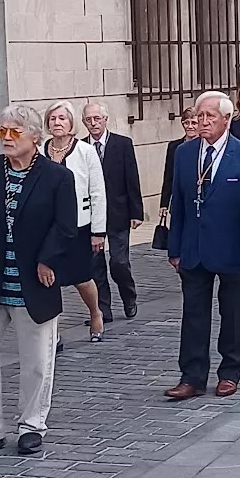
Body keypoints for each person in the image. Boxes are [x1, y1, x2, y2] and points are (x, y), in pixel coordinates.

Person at [0, 105, 78, 459]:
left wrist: (46, 259)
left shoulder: (57, 177)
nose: (7, 139)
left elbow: (65, 225)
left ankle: (31, 425)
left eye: (15, 133)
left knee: (37, 360)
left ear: (35, 138)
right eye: (2, 132)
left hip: (35, 281)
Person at [164, 91, 240, 399]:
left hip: (233, 250)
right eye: (199, 115)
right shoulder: (185, 154)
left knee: (233, 313)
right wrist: (175, 248)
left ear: (226, 119)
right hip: (194, 248)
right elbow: (178, 204)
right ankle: (192, 376)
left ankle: (230, 371)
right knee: (193, 314)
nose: (203, 121)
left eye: (210, 116)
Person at [41, 101, 107, 341]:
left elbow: (98, 191)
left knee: (81, 277)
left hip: (78, 225)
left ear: (71, 124)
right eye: (52, 119)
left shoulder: (85, 151)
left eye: (62, 119)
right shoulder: (39, 149)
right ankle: (53, 333)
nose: (57, 123)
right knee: (48, 279)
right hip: (47, 227)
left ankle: (95, 313)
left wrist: (98, 231)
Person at [83, 102, 144, 322]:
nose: (93, 124)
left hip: (117, 212)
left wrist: (136, 211)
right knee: (95, 266)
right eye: (89, 120)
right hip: (90, 217)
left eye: (97, 119)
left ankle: (129, 296)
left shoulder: (122, 144)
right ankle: (102, 310)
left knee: (118, 262)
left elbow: (132, 178)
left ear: (105, 120)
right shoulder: (81, 147)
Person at [160, 112, 198, 219]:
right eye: (186, 123)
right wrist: (164, 203)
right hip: (180, 198)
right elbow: (169, 175)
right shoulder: (174, 146)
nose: (190, 126)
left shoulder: (205, 145)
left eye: (194, 123)